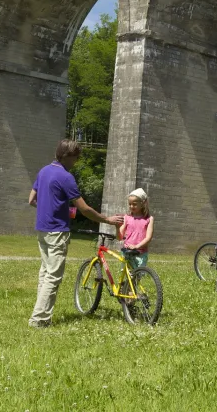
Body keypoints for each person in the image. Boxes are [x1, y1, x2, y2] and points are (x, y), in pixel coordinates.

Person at [27, 139, 123, 328]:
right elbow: (85, 209)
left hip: (42, 229)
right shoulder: (65, 177)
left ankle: (41, 315)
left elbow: (31, 200)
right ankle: (38, 319)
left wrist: (48, 208)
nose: (76, 162)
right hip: (57, 231)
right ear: (68, 156)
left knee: (45, 272)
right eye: (76, 158)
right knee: (53, 276)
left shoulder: (44, 171)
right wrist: (107, 220)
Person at [118, 188, 154, 268]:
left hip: (140, 253)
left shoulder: (149, 219)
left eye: (134, 204)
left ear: (142, 203)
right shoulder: (127, 217)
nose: (131, 206)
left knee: (137, 277)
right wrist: (117, 227)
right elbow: (120, 236)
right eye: (129, 204)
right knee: (128, 277)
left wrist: (137, 246)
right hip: (127, 252)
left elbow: (149, 237)